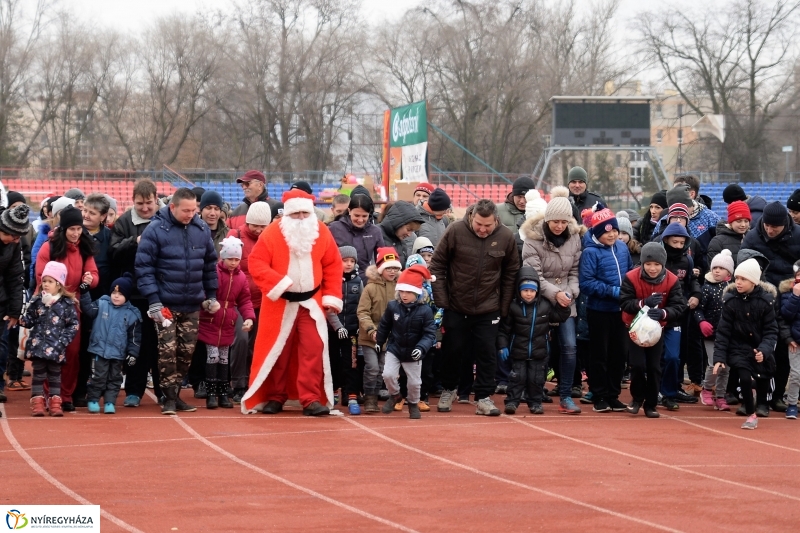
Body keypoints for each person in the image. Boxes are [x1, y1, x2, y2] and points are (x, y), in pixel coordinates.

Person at [242, 188, 343, 416]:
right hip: (280, 304)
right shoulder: (271, 233)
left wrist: (331, 295)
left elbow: (333, 265)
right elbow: (256, 262)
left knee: (313, 348)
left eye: (304, 214)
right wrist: (278, 284)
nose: (300, 218)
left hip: (312, 303)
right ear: (287, 214)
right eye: (295, 214)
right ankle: (275, 397)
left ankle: (310, 399)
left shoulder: (322, 232)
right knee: (278, 350)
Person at [430, 199, 520, 416]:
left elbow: (511, 272)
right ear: (472, 217)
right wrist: (443, 300)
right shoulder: (455, 230)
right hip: (456, 305)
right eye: (479, 224)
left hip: (489, 307)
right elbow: (437, 264)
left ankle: (483, 397)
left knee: (487, 353)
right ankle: (449, 389)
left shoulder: (506, 236)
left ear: (496, 220)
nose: (482, 229)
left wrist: (503, 306)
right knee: (453, 350)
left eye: (487, 226)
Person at [135, 187, 219, 415]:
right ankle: (169, 397)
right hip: (165, 304)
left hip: (192, 303)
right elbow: (144, 267)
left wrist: (211, 295)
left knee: (186, 352)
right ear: (172, 207)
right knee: (167, 352)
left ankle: (176, 394)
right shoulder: (155, 230)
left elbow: (210, 266)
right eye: (186, 210)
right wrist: (153, 300)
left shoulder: (201, 229)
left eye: (194, 210)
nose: (191, 214)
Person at [521, 185, 583, 414]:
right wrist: (554, 293)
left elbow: (576, 271)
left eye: (564, 222)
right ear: (547, 220)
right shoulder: (532, 240)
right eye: (555, 221)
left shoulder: (575, 238)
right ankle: (534, 393)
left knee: (569, 347)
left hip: (567, 298)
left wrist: (570, 293)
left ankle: (566, 395)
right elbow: (533, 275)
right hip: (541, 299)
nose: (559, 226)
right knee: (540, 348)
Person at [34, 205, 99, 412]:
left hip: (73, 306)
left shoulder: (84, 247)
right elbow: (39, 276)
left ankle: (65, 395)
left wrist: (90, 280)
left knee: (71, 352)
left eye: (79, 229)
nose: (76, 233)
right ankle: (49, 394)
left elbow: (94, 274)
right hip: (51, 305)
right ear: (63, 228)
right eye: (72, 229)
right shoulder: (49, 247)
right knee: (48, 351)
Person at [740, 201, 800, 412]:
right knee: (759, 348)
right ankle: (755, 395)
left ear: (785, 223)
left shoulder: (798, 235)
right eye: (767, 225)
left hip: (789, 299)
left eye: (775, 226)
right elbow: (744, 266)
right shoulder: (753, 236)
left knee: (783, 350)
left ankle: (776, 396)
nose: (770, 229)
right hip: (761, 298)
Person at [109, 179, 162, 408]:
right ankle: (133, 391)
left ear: (156, 200)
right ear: (133, 201)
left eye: (149, 203)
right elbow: (113, 252)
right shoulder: (123, 222)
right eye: (140, 204)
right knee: (136, 345)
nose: (145, 208)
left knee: (162, 345)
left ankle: (164, 392)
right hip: (135, 293)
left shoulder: (165, 219)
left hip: (160, 293)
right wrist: (135, 242)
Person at [620, 242, 687, 418]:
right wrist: (642, 304)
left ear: (663, 264)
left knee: (654, 367)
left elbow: (679, 305)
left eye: (657, 264)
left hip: (657, 329)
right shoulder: (631, 277)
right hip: (634, 327)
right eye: (648, 264)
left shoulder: (672, 280)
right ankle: (636, 399)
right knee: (637, 365)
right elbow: (624, 302)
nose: (652, 268)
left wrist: (664, 313)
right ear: (642, 263)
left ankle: (651, 404)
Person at [578, 204, 632, 413]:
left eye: (615, 231)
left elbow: (629, 273)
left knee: (619, 354)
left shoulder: (622, 248)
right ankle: (599, 394)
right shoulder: (590, 253)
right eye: (606, 232)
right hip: (599, 310)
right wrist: (613, 291)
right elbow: (587, 283)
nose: (612, 235)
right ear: (598, 233)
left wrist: (628, 291)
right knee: (600, 354)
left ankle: (613, 394)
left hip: (621, 310)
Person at [713, 258, 778, 430]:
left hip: (759, 347)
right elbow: (723, 331)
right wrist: (719, 358)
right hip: (738, 348)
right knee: (744, 379)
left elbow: (771, 331)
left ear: (754, 281)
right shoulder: (730, 301)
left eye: (743, 279)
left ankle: (761, 400)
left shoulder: (766, 302)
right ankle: (751, 414)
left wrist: (764, 350)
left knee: (762, 377)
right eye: (737, 278)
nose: (739, 282)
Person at [498, 266, 570, 415]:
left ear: (537, 290)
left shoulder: (545, 305)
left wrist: (564, 307)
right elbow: (504, 330)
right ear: (519, 290)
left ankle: (535, 402)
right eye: (525, 290)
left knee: (536, 379)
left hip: (539, 351)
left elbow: (558, 318)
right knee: (517, 378)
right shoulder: (513, 306)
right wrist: (503, 346)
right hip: (518, 351)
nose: (529, 294)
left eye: (532, 290)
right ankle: (512, 401)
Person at [196, 237, 255, 409]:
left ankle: (223, 393)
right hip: (211, 320)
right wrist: (206, 303)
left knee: (223, 357)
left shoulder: (241, 277)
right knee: (212, 356)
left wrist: (248, 317)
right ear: (222, 257)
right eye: (230, 259)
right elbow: (204, 291)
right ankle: (211, 393)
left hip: (227, 321)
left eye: (237, 259)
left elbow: (245, 300)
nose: (233, 263)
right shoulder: (213, 272)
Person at [377, 264, 437, 419]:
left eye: (409, 292)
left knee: (414, 383)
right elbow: (385, 325)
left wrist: (421, 348)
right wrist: (379, 340)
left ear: (417, 293)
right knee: (388, 374)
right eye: (402, 291)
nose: (404, 295)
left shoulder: (425, 310)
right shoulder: (393, 306)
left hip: (414, 351)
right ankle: (396, 395)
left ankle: (412, 403)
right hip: (395, 348)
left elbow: (430, 334)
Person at [226, 201, 271, 403]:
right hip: (239, 301)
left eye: (263, 226)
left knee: (257, 344)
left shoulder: (269, 239)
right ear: (248, 222)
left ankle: (255, 382)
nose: (259, 230)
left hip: (263, 300)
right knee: (241, 341)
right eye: (255, 225)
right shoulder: (234, 236)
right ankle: (238, 383)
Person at [21, 262, 80, 417]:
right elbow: (30, 320)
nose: (46, 285)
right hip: (38, 346)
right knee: (39, 375)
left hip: (57, 347)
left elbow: (73, 324)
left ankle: (55, 403)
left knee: (55, 376)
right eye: (44, 281)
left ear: (59, 284)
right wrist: (22, 318)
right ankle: (37, 402)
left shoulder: (66, 304)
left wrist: (63, 341)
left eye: (50, 281)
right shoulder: (37, 301)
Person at [79, 274, 142, 414]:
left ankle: (109, 402)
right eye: (114, 292)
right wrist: (84, 293)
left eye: (120, 294)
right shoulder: (102, 304)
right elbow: (88, 309)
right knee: (98, 377)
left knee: (115, 379)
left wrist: (133, 353)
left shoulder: (132, 314)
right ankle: (93, 399)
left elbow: (134, 337)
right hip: (99, 350)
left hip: (118, 354)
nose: (116, 296)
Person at [356, 247, 401, 413]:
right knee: (372, 367)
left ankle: (380, 396)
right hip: (369, 337)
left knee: (383, 368)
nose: (392, 271)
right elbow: (362, 312)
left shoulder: (400, 287)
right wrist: (372, 330)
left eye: (395, 268)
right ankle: (370, 398)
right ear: (381, 268)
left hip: (390, 338)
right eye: (388, 267)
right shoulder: (370, 288)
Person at [325, 246, 364, 415]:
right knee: (333, 361)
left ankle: (351, 395)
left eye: (352, 261)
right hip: (334, 330)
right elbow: (328, 306)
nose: (348, 264)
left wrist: (356, 327)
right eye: (345, 260)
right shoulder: (331, 279)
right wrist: (338, 326)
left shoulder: (358, 281)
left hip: (352, 331)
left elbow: (362, 306)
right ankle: (332, 392)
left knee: (352, 363)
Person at [696, 249, 734, 411]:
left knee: (726, 367)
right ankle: (706, 389)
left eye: (721, 268)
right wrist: (702, 322)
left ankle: (720, 395)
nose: (717, 271)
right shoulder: (706, 287)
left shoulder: (733, 289)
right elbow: (698, 309)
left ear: (729, 272)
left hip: (728, 335)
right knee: (713, 364)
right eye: (714, 268)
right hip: (710, 333)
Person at [0, 203, 30, 403]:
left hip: (1, 304)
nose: (17, 240)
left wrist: (15, 311)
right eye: (13, 235)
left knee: (1, 349)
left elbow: (16, 276)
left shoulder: (14, 244)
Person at [329, 193, 384, 285]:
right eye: (357, 215)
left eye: (364, 216)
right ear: (349, 211)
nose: (360, 220)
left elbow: (381, 258)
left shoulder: (375, 232)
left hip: (365, 281)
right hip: (338, 280)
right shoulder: (334, 228)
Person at [779, 259, 800, 420]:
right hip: (795, 341)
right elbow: (785, 315)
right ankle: (792, 404)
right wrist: (796, 296)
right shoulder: (788, 293)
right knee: (796, 374)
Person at [378, 201, 423, 268]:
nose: (409, 235)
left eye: (412, 231)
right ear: (398, 223)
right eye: (408, 229)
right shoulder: (376, 235)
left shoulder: (401, 242)